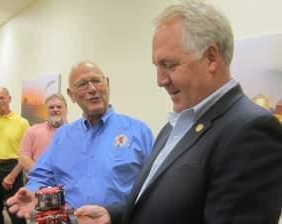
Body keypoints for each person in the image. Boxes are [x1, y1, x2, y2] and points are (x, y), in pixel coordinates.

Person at [71, 1, 282, 224]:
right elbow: (168, 208)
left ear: (210, 57)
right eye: (157, 66)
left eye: (169, 65)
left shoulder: (252, 131)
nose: (160, 80)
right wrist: (113, 216)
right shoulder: (177, 124)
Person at [6, 61, 154, 215]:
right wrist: (32, 191)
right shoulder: (62, 136)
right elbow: (42, 175)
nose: (92, 89)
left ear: (107, 84)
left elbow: (153, 188)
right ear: (72, 95)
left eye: (96, 81)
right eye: (83, 84)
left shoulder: (139, 132)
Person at [0, 87, 30, 224]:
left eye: (2, 97)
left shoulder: (22, 123)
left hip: (13, 169)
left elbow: (26, 154)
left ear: (9, 99)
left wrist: (12, 176)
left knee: (17, 214)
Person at [19, 93, 68, 172]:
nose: (55, 110)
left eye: (59, 107)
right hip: (38, 181)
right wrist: (42, 174)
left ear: (65, 110)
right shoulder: (31, 131)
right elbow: (24, 158)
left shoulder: (76, 133)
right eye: (51, 107)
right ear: (46, 110)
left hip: (66, 182)